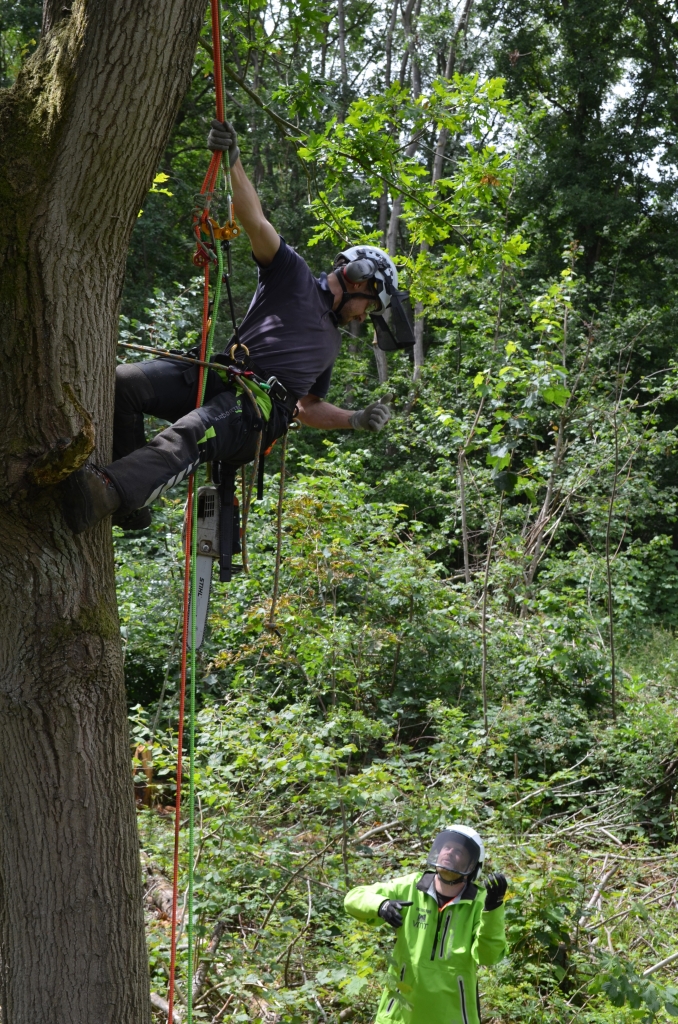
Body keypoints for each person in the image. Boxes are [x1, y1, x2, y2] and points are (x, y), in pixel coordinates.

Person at [59, 118, 413, 534]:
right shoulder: (291, 274)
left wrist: (353, 418)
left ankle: (105, 491)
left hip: (254, 417)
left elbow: (308, 407)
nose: (359, 317)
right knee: (126, 383)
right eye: (366, 306)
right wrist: (234, 162)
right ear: (358, 277)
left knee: (191, 432)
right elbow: (255, 221)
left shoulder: (330, 344)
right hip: (224, 376)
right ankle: (130, 502)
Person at [344, 825, 507, 1024]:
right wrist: (382, 905)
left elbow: (488, 956)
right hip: (398, 1014)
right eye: (446, 847)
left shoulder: (480, 902)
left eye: (458, 851)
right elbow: (353, 898)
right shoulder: (410, 887)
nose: (449, 853)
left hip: (453, 1016)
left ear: (472, 864)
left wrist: (492, 911)